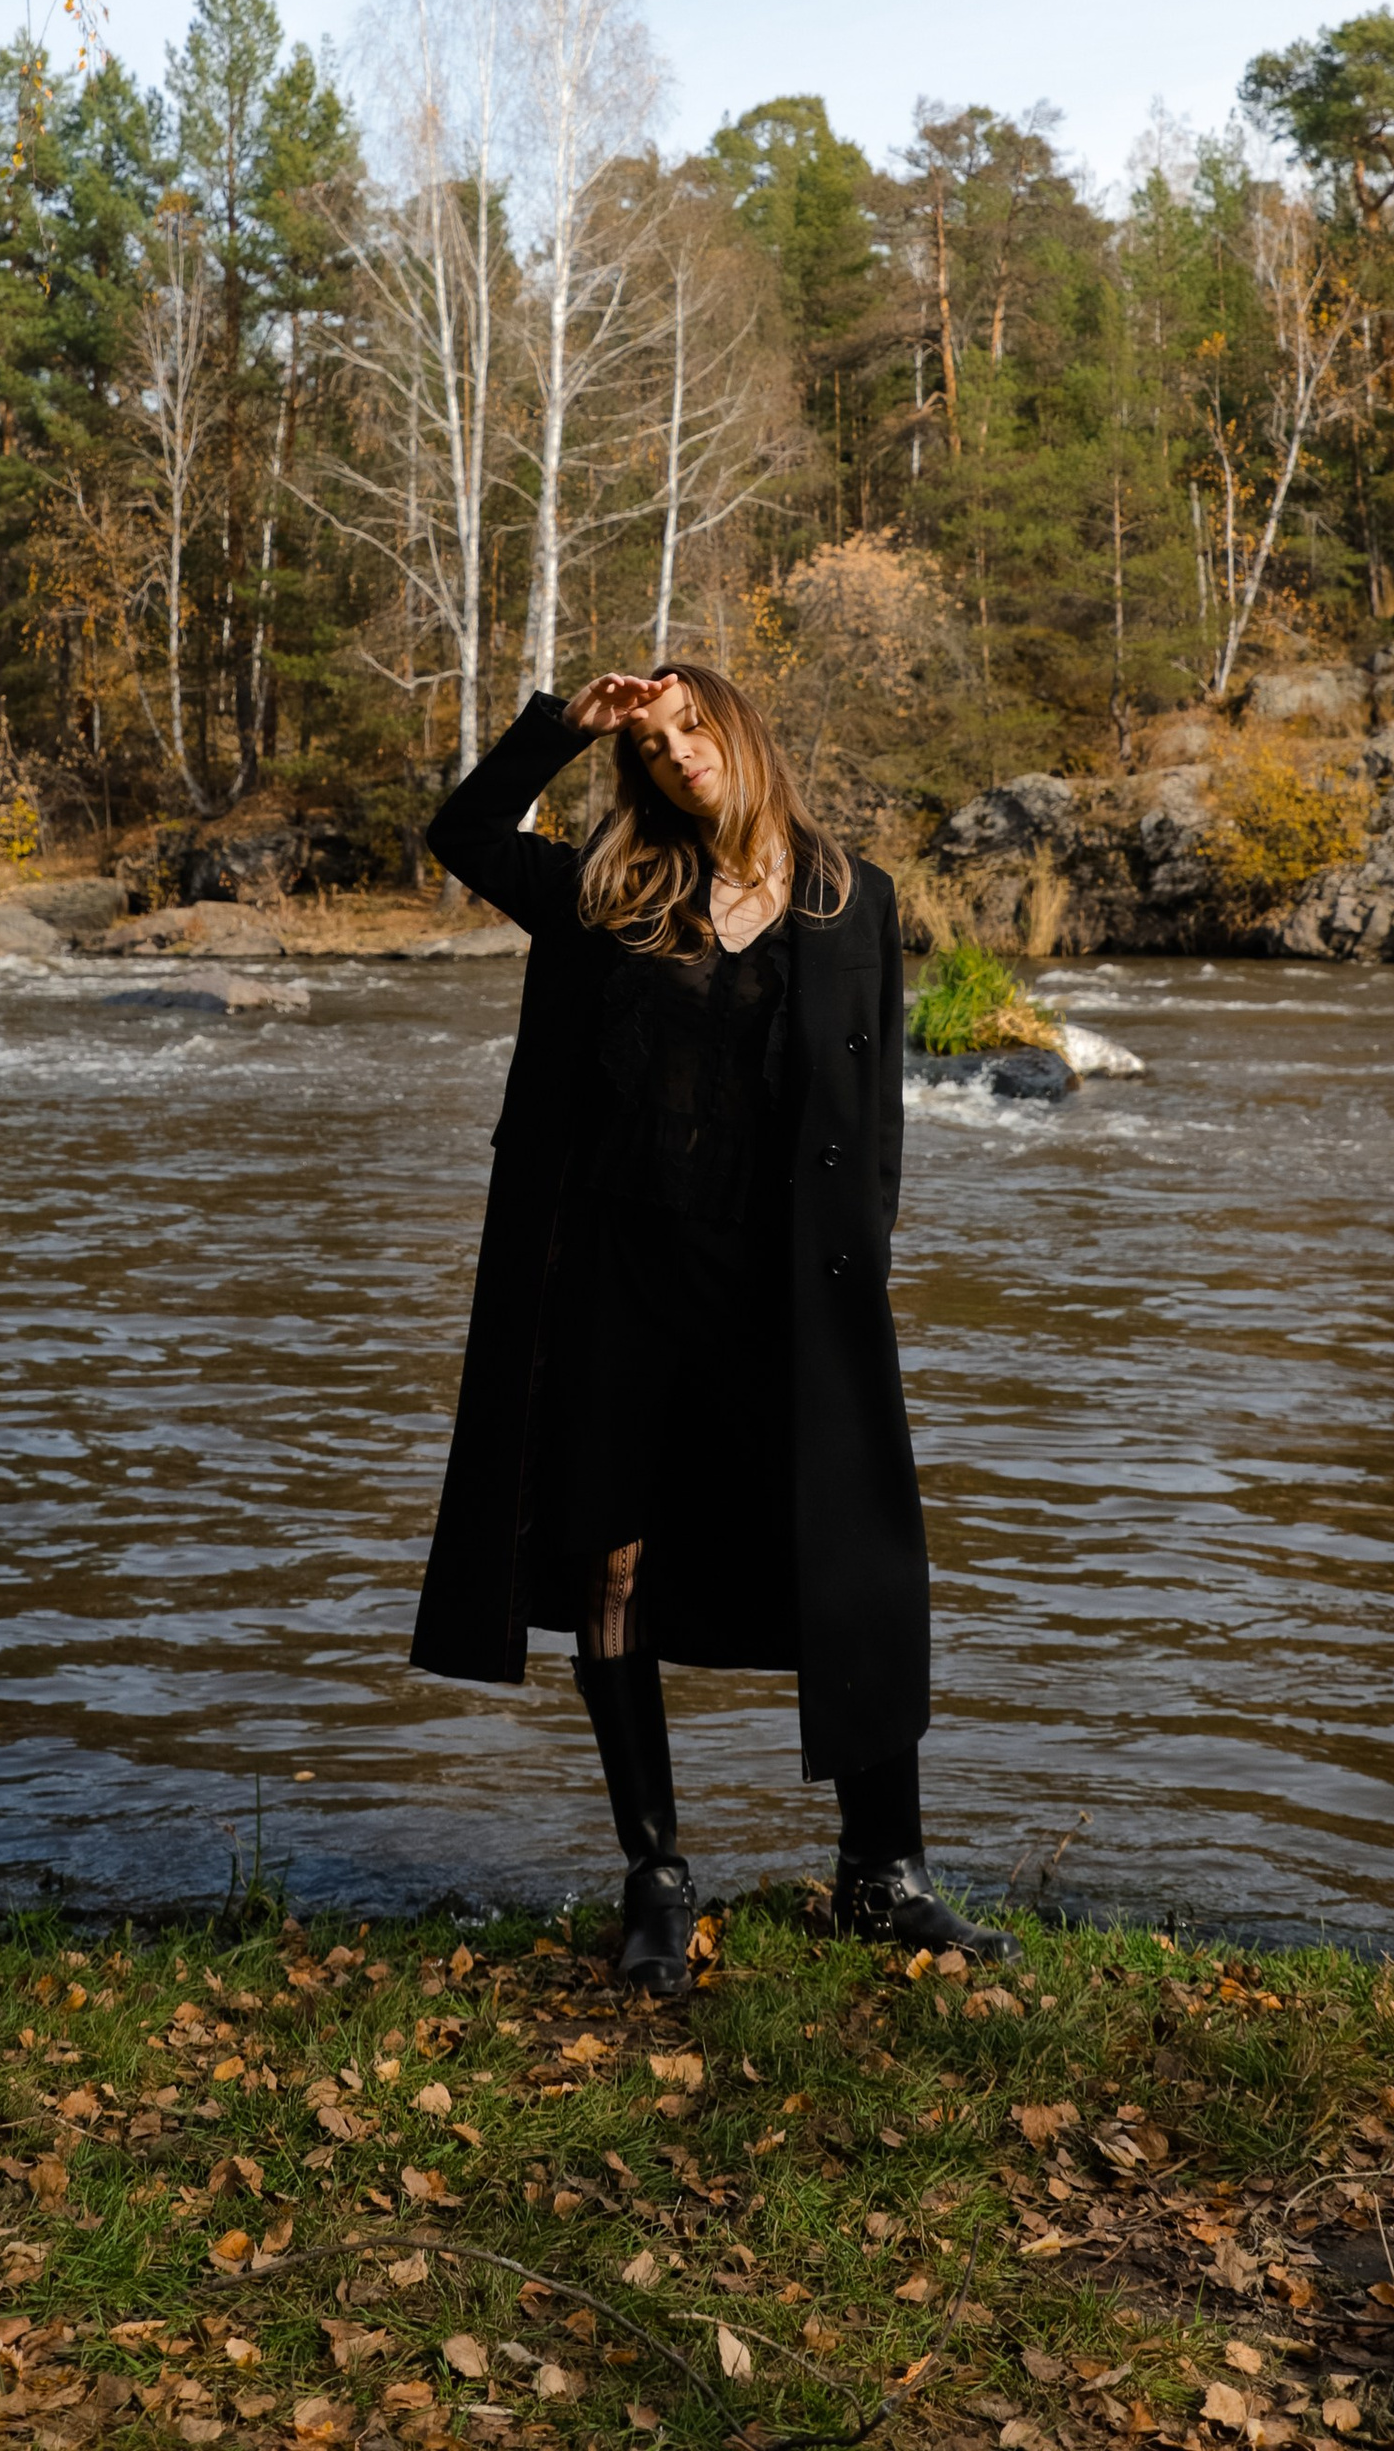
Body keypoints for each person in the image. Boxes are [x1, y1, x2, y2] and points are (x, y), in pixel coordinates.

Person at [408, 661, 1018, 1999]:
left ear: (742, 731)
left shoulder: (853, 899)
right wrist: (565, 725)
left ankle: (885, 1872)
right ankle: (656, 1875)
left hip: (787, 1285)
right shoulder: (607, 889)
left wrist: (862, 1275)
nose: (678, 753)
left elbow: (876, 1125)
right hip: (617, 1274)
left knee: (855, 1557)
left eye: (695, 727)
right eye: (654, 743)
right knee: (610, 1560)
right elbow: (464, 833)